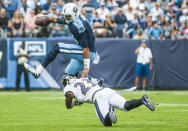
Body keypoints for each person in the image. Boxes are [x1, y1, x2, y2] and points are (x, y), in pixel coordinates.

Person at [24, 3, 100, 79]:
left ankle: (38, 71)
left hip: (88, 53)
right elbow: (54, 19)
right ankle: (94, 82)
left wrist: (86, 68)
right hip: (86, 52)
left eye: (67, 16)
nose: (65, 18)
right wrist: (43, 16)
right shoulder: (74, 18)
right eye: (65, 16)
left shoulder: (79, 26)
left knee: (58, 47)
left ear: (74, 14)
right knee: (68, 77)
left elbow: (85, 48)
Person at [62, 74, 155, 126]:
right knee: (125, 106)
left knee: (107, 124)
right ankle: (143, 100)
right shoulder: (84, 79)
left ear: (66, 82)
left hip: (98, 97)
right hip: (106, 91)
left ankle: (110, 111)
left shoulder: (68, 87)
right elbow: (99, 81)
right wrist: (78, 101)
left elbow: (69, 96)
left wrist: (69, 105)